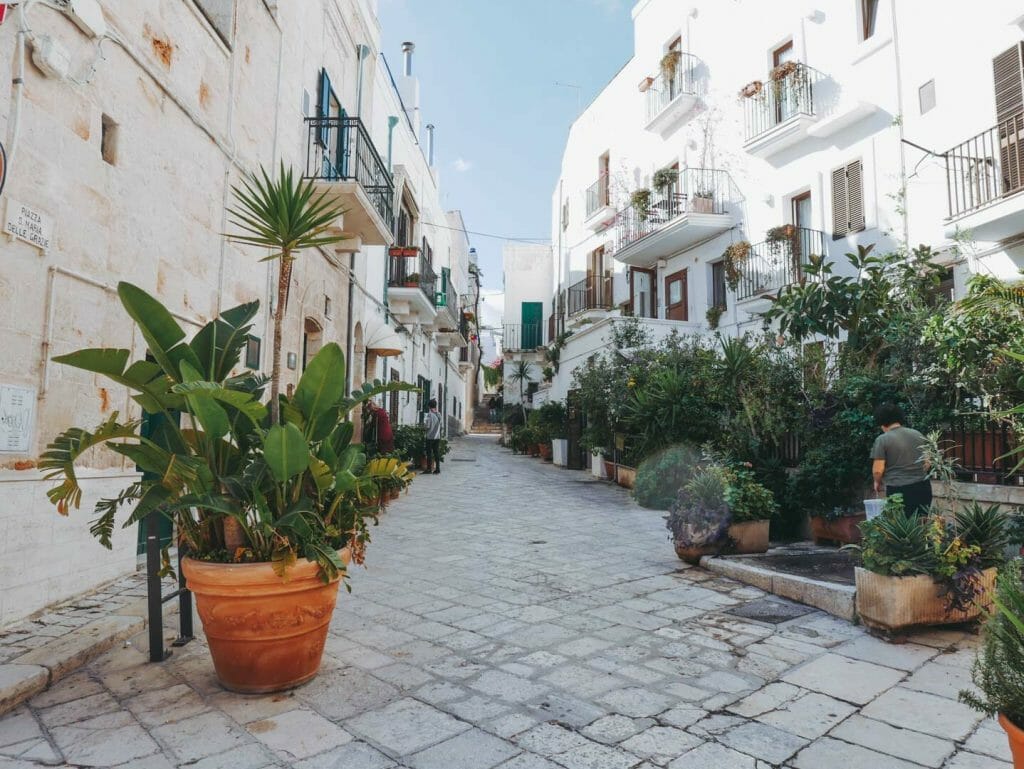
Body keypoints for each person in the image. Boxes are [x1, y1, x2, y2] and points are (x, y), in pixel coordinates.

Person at [870, 403, 932, 516]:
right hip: (923, 487)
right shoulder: (917, 434)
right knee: (922, 525)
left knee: (902, 529)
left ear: (881, 422)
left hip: (898, 490)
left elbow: (878, 470)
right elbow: (927, 463)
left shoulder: (882, 440)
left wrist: (877, 482)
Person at [424, 398, 443, 474]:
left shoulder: (429, 415)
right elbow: (441, 425)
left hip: (430, 436)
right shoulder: (439, 414)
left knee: (429, 453)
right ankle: (437, 468)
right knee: (436, 453)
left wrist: (424, 428)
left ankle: (429, 469)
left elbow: (427, 426)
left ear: (429, 406)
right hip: (437, 436)